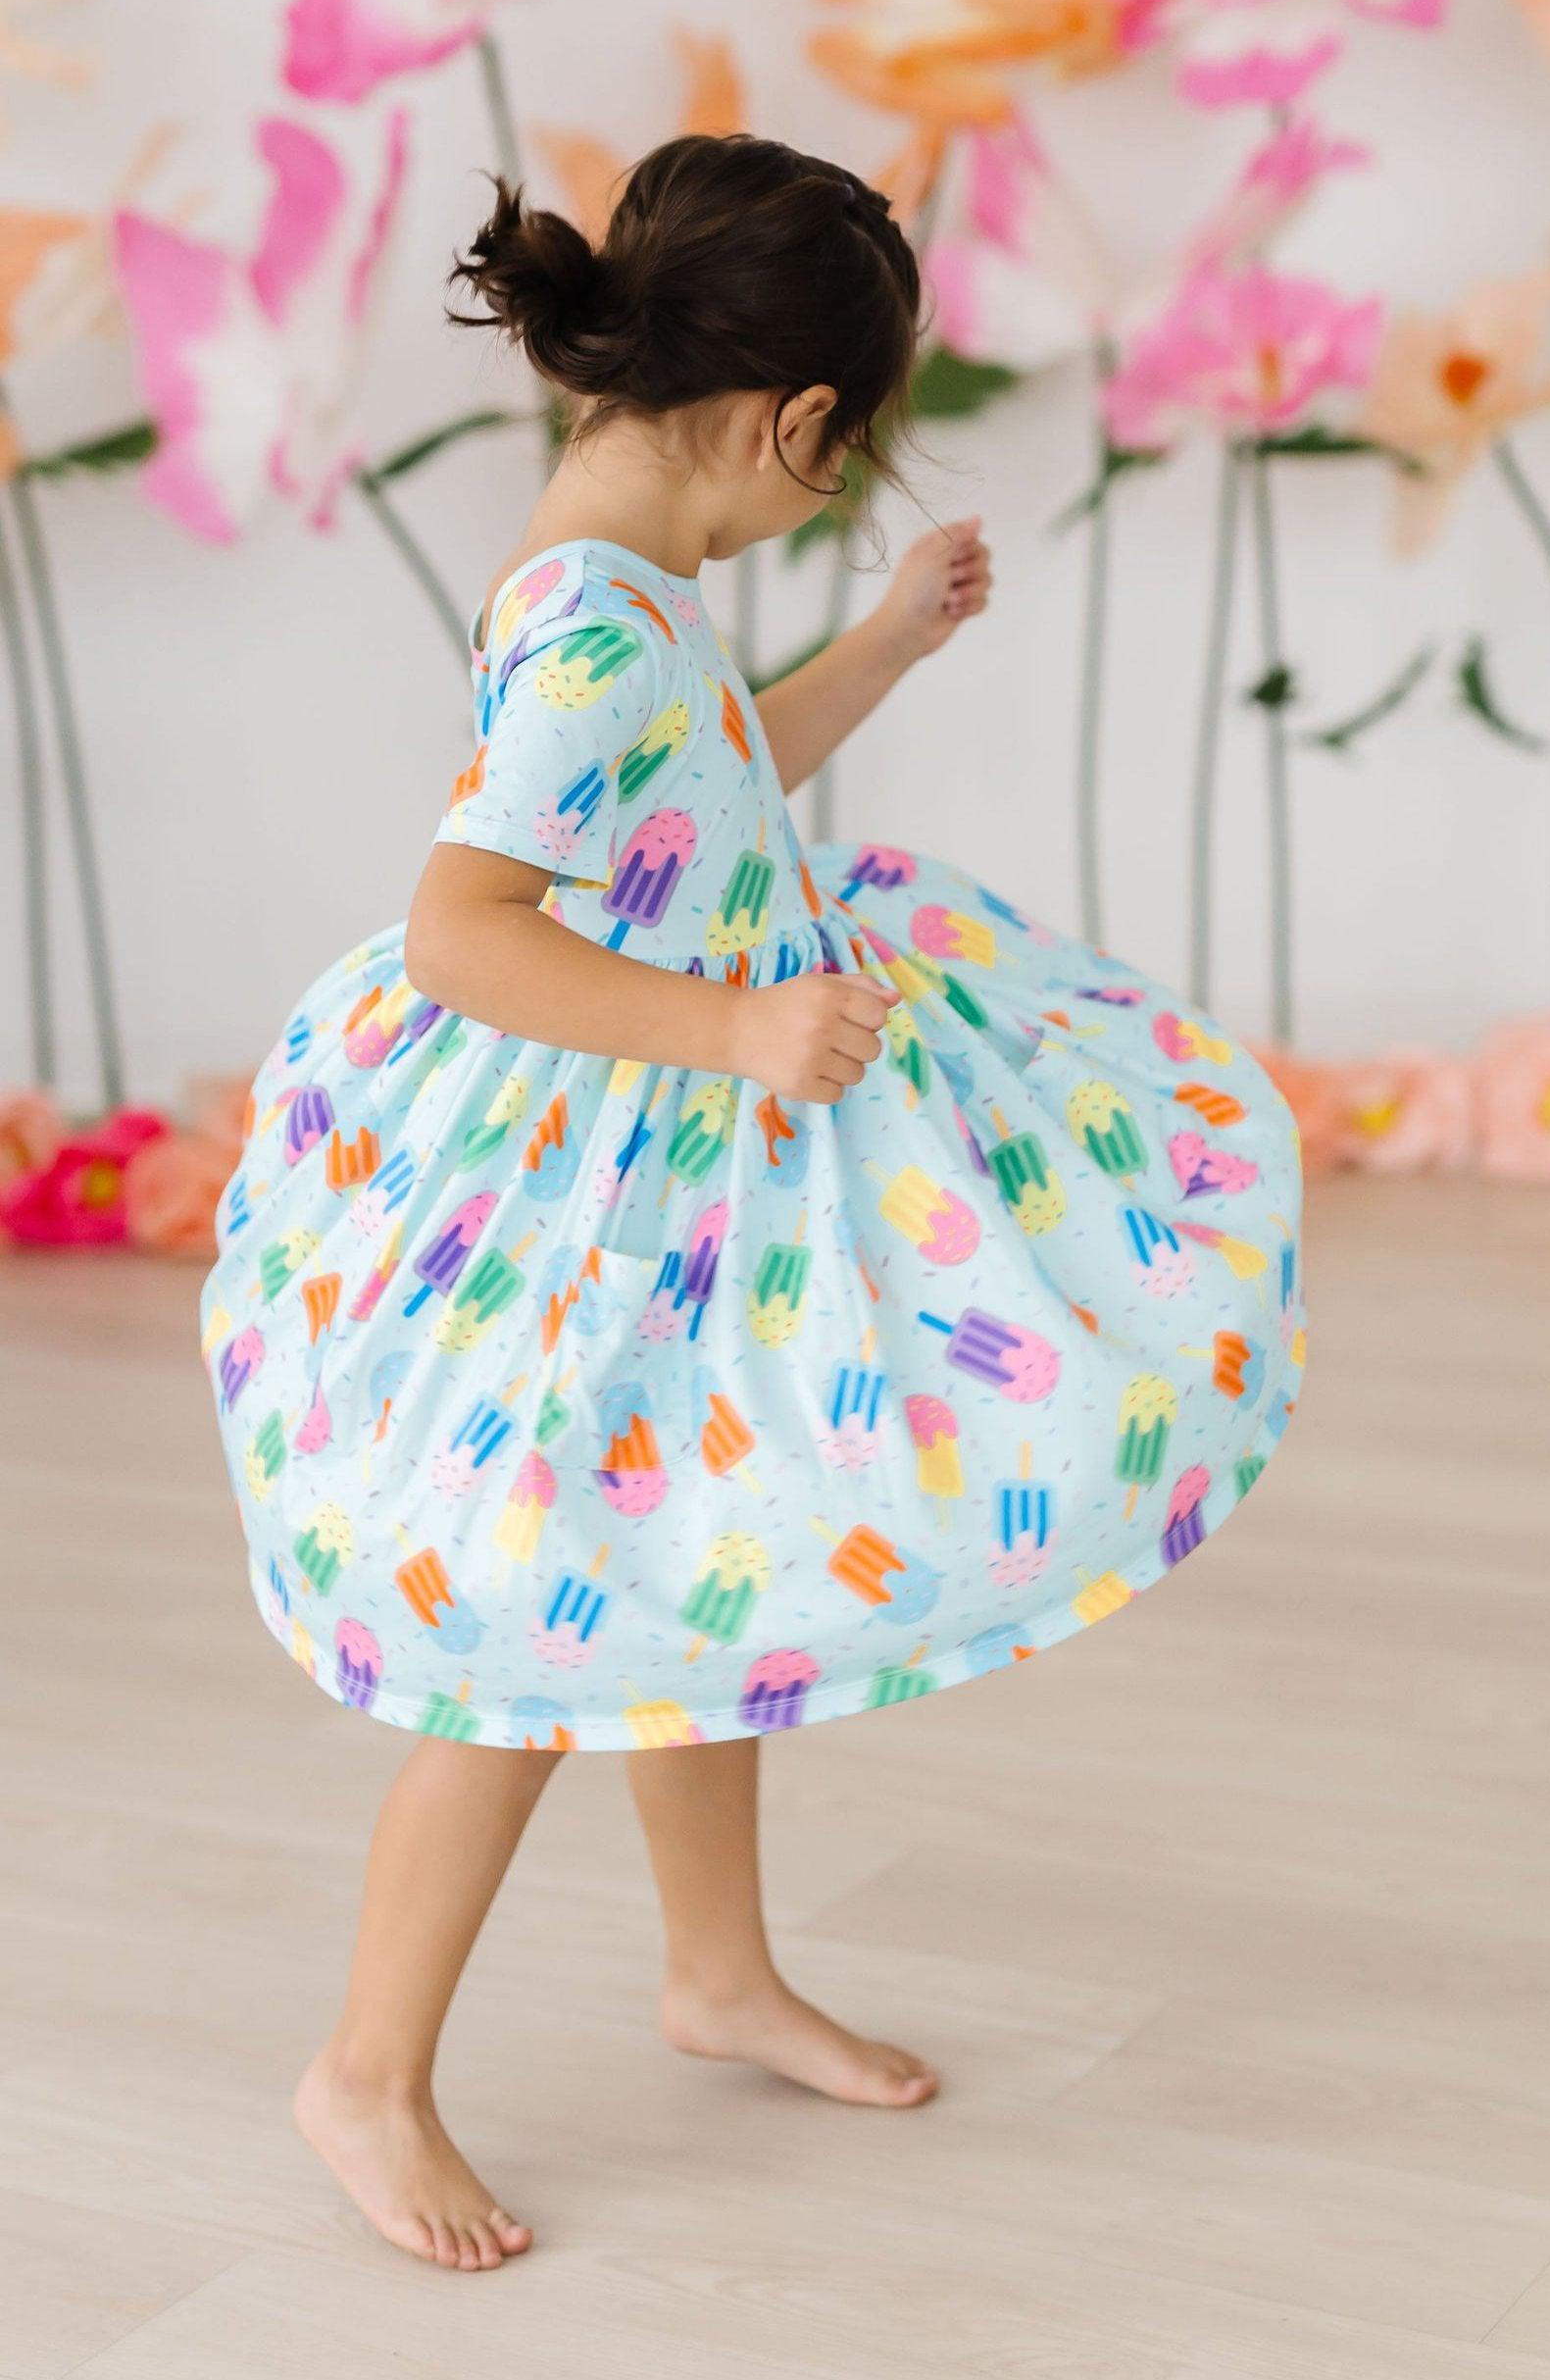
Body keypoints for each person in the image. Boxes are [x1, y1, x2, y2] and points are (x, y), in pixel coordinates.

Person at [202, 133, 1304, 2272]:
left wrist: (879, 645)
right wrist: (732, 1028)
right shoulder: (592, 633)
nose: (841, 490)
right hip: (604, 1167)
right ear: (793, 420)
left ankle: (715, 1973)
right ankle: (365, 2068)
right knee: (528, 1623)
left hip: (686, 1165)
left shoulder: (630, 576)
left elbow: (691, 800)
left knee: (701, 1555)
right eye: (850, 462)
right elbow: (459, 930)